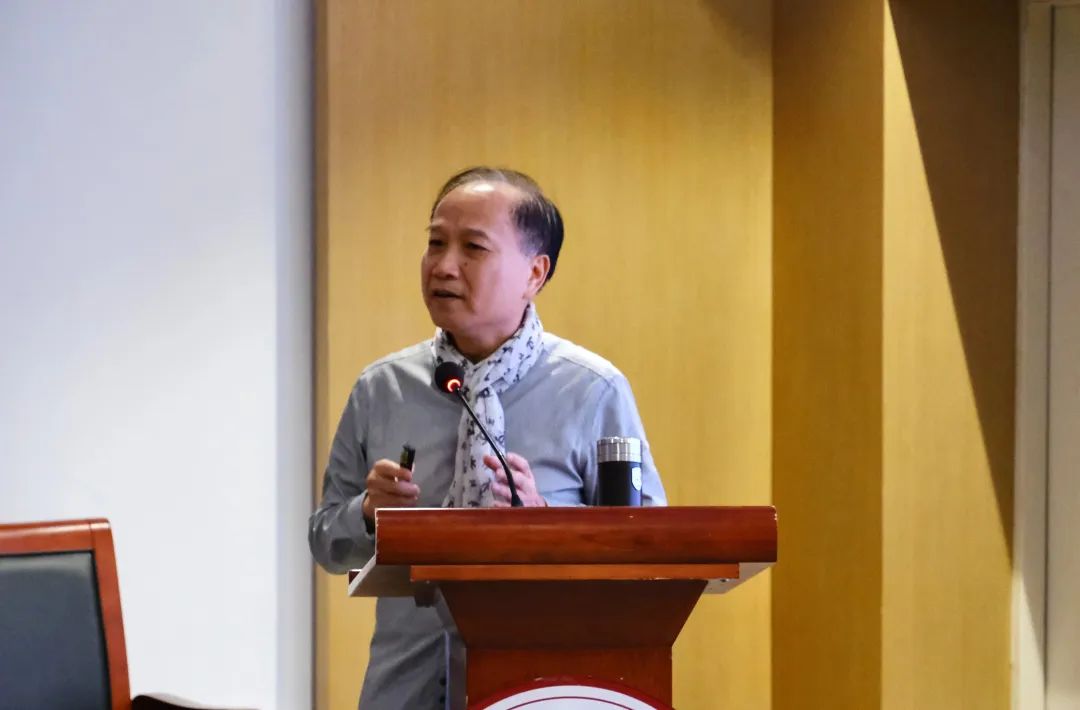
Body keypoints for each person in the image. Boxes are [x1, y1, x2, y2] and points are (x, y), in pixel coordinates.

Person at [308, 167, 666, 709]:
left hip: (544, 692)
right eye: (436, 243)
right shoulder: (382, 389)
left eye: (473, 247)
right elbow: (325, 542)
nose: (444, 265)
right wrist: (366, 512)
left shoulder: (592, 390)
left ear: (534, 273)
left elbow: (653, 558)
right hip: (406, 691)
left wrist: (550, 525)